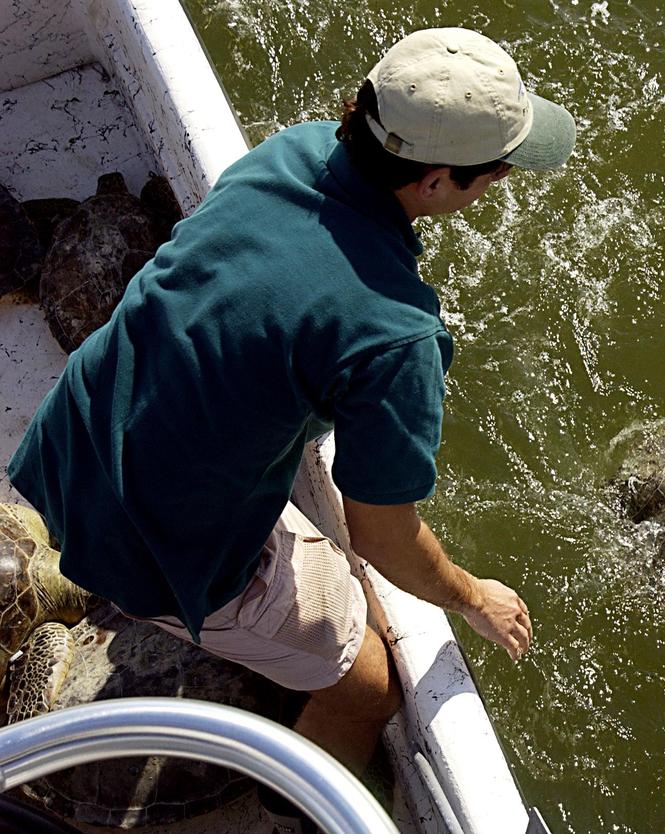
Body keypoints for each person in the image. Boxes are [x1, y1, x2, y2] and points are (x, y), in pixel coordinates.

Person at [6, 26, 574, 832]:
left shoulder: (294, 152)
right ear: (441, 180)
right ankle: (286, 807)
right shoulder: (397, 334)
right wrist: (473, 596)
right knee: (371, 683)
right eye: (496, 172)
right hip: (153, 539)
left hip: (72, 440)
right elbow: (382, 535)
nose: (498, 184)